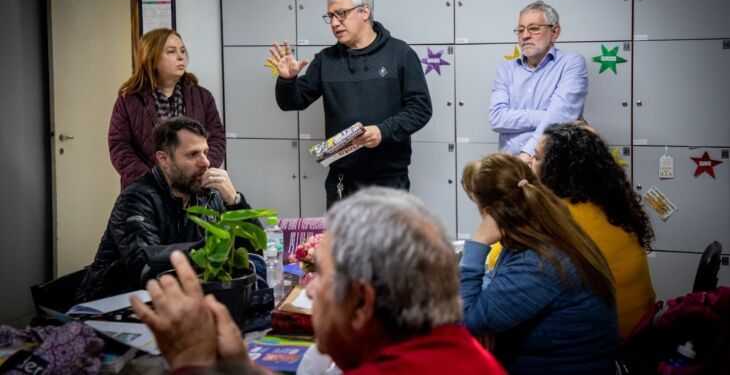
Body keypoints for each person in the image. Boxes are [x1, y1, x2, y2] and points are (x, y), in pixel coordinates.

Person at [131, 188, 508, 375]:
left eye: (322, 274)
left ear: (362, 303)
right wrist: (241, 367)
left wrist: (192, 361)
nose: (308, 288)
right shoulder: (447, 350)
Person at [271, 0, 432, 208]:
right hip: (342, 180)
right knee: (341, 244)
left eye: (342, 14)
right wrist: (287, 80)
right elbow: (292, 102)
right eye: (330, 16)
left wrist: (383, 131)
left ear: (364, 11)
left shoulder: (400, 53)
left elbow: (420, 108)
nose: (335, 23)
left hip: (389, 181)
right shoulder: (326, 60)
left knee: (389, 244)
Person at [460, 153, 618, 375]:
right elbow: (493, 281)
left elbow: (462, 327)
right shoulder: (543, 234)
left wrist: (478, 242)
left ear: (488, 213)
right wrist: (480, 316)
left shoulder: (537, 262)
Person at [76, 117, 256, 303]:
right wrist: (208, 249)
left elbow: (252, 254)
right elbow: (145, 265)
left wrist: (234, 201)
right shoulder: (136, 198)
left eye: (205, 152)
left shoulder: (207, 195)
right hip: (114, 305)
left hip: (180, 301)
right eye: (193, 154)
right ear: (164, 160)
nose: (206, 163)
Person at [532, 122, 656, 338]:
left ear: (555, 167)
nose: (529, 164)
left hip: (602, 343)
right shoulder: (614, 207)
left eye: (536, 157)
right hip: (639, 332)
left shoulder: (554, 216)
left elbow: (498, 266)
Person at [109, 28, 225, 189]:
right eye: (171, 51)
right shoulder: (128, 100)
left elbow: (217, 138)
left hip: (194, 186)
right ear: (152, 59)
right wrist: (153, 179)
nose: (180, 56)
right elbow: (119, 147)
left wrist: (201, 168)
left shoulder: (202, 97)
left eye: (182, 51)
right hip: (145, 190)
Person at [489, 1, 587, 162]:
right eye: (520, 30)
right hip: (511, 166)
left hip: (554, 164)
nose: (525, 35)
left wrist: (527, 154)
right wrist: (551, 116)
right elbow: (496, 118)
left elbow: (562, 115)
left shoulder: (571, 63)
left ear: (554, 32)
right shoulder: (505, 70)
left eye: (533, 29)